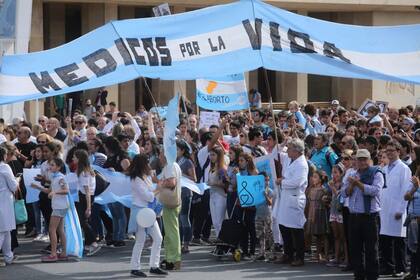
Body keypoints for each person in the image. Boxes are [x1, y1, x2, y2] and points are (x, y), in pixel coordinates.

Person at [342, 149, 384, 280]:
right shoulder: (353, 174)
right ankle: (358, 275)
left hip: (369, 216)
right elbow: (343, 193)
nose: (362, 162)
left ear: (369, 160)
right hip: (354, 216)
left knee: (371, 249)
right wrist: (351, 185)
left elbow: (375, 191)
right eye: (359, 159)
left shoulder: (376, 173)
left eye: (364, 159)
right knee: (355, 248)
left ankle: (372, 276)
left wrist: (358, 184)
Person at [127, 154, 167, 277]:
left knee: (158, 238)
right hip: (140, 212)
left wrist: (157, 187)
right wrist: (159, 188)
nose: (149, 165)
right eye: (147, 163)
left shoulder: (146, 176)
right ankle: (135, 268)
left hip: (148, 212)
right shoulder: (136, 179)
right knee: (140, 240)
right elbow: (148, 196)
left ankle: (154, 266)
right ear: (142, 165)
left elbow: (151, 193)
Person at [274, 138, 309, 266]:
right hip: (285, 197)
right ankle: (287, 253)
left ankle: (299, 256)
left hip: (294, 197)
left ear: (296, 151)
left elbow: (297, 182)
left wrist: (282, 182)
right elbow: (276, 152)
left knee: (296, 228)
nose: (287, 150)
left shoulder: (302, 164)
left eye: (289, 148)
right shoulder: (290, 159)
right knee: (283, 225)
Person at [379, 140, 411, 277]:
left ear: (398, 152)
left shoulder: (404, 169)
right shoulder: (385, 169)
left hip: (397, 208)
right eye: (387, 151)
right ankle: (388, 267)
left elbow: (406, 189)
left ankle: (400, 267)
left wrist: (401, 209)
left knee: (398, 241)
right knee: (386, 239)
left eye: (392, 150)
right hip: (385, 208)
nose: (389, 153)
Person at [39, 158, 69, 262]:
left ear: (59, 167)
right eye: (50, 165)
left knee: (52, 230)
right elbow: (50, 190)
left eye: (52, 165)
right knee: (60, 230)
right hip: (59, 206)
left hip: (59, 206)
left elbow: (66, 190)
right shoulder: (54, 177)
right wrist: (37, 187)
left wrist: (55, 193)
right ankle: (64, 253)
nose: (50, 167)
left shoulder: (60, 177)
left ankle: (53, 254)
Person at [157, 150, 182, 271]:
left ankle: (173, 260)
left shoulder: (170, 166)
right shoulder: (172, 165)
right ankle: (170, 258)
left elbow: (172, 182)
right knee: (171, 232)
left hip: (170, 203)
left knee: (171, 232)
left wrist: (158, 182)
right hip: (172, 202)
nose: (159, 158)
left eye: (161, 155)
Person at [73, 150, 101, 256]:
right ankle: (88, 243)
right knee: (83, 221)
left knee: (82, 221)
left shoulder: (84, 172)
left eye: (74, 157)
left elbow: (87, 191)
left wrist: (88, 207)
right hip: (84, 197)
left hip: (85, 198)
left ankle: (93, 241)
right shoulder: (87, 170)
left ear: (79, 159)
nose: (73, 159)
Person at [176, 140, 196, 254]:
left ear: (183, 150)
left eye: (177, 149)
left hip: (186, 193)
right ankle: (179, 243)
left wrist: (180, 174)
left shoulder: (188, 162)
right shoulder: (176, 160)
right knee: (178, 220)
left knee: (184, 218)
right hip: (176, 193)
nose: (176, 151)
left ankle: (186, 244)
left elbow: (194, 179)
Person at [327, 164, 349, 268]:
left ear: (341, 173)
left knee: (343, 236)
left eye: (336, 172)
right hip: (333, 211)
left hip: (340, 211)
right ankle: (337, 257)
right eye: (333, 172)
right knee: (336, 235)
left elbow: (340, 197)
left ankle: (346, 258)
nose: (334, 175)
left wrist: (332, 188)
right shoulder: (332, 183)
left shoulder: (343, 184)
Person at [0, 146, 19, 266]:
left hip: (3, 200)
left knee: (6, 231)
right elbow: (13, 186)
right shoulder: (4, 167)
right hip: (3, 201)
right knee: (2, 231)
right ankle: (7, 256)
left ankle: (8, 256)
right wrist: (18, 180)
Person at [306, 170, 329, 263]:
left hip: (320, 212)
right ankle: (318, 254)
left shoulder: (323, 189)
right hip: (312, 212)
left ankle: (326, 255)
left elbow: (327, 200)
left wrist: (325, 200)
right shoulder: (311, 189)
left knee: (322, 235)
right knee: (315, 234)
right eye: (312, 177)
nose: (313, 179)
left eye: (315, 177)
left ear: (320, 180)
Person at [207, 146, 228, 238]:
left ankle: (222, 242)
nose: (211, 157)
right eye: (210, 155)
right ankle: (219, 241)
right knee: (215, 222)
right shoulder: (212, 168)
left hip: (220, 196)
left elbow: (227, 185)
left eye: (213, 155)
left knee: (220, 222)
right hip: (212, 196)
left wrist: (215, 183)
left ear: (219, 156)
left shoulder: (222, 169)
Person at [403, 169, 420, 280]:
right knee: (414, 247)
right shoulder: (413, 182)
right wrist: (415, 188)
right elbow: (406, 197)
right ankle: (413, 272)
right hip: (414, 219)